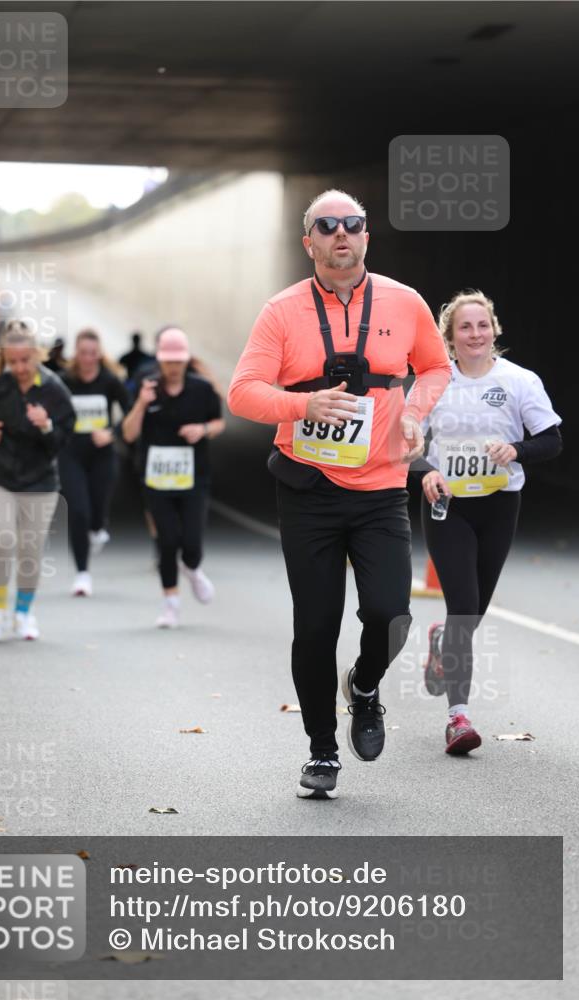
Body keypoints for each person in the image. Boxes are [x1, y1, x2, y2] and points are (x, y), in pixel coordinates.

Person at [228, 188, 451, 800]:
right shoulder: (281, 310)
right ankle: (322, 751)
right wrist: (304, 402)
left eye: (352, 225)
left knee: (390, 613)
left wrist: (417, 414)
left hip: (380, 487)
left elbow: (434, 368)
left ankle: (367, 685)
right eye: (327, 227)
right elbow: (243, 391)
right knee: (316, 626)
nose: (341, 235)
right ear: (309, 243)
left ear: (366, 238)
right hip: (309, 489)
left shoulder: (404, 302)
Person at [418, 290, 562, 754]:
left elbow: (552, 440)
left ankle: (442, 641)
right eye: (465, 327)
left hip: (500, 504)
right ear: (450, 336)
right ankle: (457, 717)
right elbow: (403, 446)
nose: (475, 334)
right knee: (463, 606)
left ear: (494, 329)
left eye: (483, 325)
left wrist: (516, 450)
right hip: (447, 505)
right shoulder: (433, 383)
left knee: (472, 611)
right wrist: (427, 471)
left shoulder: (520, 382)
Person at [0, 320, 75, 641]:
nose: (20, 368)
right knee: (2, 540)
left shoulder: (54, 389)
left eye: (25, 360)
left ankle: (23, 613)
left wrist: (46, 426)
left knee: (30, 550)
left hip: (40, 480)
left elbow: (62, 441)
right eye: (12, 362)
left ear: (37, 355)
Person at [122, 327, 225, 628]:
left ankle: (192, 569)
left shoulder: (201, 389)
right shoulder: (146, 385)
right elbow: (129, 433)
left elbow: (219, 423)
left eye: (178, 361)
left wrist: (202, 430)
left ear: (186, 360)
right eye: (168, 361)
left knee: (191, 541)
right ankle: (171, 605)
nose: (173, 367)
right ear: (160, 360)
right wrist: (141, 403)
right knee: (167, 540)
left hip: (194, 476)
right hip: (156, 477)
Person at [59, 328, 131, 596]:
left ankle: (99, 528)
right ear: (75, 355)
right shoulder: (64, 381)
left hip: (102, 454)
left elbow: (131, 413)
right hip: (71, 454)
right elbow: (53, 412)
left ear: (99, 355)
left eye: (93, 353)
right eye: (83, 353)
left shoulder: (110, 381)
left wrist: (112, 433)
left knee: (98, 509)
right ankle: (82, 574)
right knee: (78, 510)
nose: (88, 358)